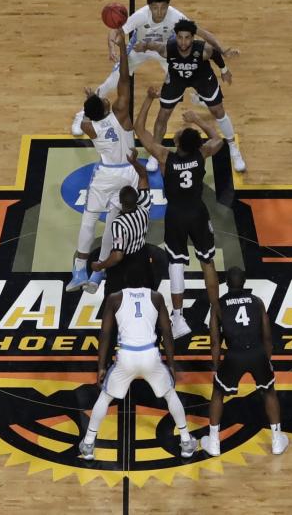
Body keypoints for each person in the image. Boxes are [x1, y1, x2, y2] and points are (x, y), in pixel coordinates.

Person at [70, 0, 236, 156]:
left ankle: (200, 96)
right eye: (155, 8)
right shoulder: (141, 15)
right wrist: (111, 47)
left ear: (168, 7)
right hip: (139, 49)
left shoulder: (176, 16)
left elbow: (203, 33)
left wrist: (222, 51)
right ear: (149, 7)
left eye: (163, 8)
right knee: (113, 80)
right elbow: (116, 30)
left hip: (166, 51)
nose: (159, 12)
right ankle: (82, 113)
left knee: (183, 74)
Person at [135, 89, 222, 339]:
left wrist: (149, 99)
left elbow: (141, 131)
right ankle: (216, 313)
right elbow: (217, 138)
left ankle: (178, 318)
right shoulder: (202, 154)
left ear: (177, 143)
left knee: (176, 264)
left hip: (175, 215)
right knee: (208, 262)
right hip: (197, 212)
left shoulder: (165, 157)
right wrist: (198, 120)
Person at [78, 287, 198, 460]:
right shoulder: (156, 297)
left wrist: (101, 366)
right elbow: (166, 331)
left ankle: (88, 443)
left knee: (105, 397)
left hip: (127, 356)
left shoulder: (115, 297)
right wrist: (171, 364)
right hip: (150, 355)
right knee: (170, 395)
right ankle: (186, 441)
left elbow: (105, 334)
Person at [66, 29, 136, 294]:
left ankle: (79, 270)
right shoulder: (120, 115)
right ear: (108, 107)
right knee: (112, 222)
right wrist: (122, 50)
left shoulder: (89, 126)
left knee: (88, 220)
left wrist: (88, 102)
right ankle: (99, 273)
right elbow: (125, 82)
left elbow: (86, 117)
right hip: (127, 172)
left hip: (105, 174)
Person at [136, 19, 246, 172]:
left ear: (193, 38)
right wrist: (143, 46)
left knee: (218, 111)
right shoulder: (168, 49)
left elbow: (215, 54)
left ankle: (233, 148)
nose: (183, 41)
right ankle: (155, 153)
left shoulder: (203, 50)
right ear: (176, 37)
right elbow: (152, 45)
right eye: (180, 37)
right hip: (177, 78)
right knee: (163, 114)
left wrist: (224, 70)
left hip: (201, 78)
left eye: (187, 37)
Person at [201, 267, 289, 457]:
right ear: (245, 281)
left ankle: (214, 442)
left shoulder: (218, 305)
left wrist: (216, 366)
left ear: (226, 282)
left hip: (234, 355)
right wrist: (267, 360)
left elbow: (215, 341)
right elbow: (267, 337)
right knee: (269, 392)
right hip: (257, 352)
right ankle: (276, 441)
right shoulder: (257, 302)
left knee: (218, 392)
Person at [90, 149, 154, 293]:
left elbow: (118, 256)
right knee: (148, 293)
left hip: (127, 262)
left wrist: (100, 266)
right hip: (142, 256)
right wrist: (134, 162)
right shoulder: (144, 205)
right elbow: (143, 175)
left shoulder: (119, 223)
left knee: (113, 297)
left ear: (120, 201)